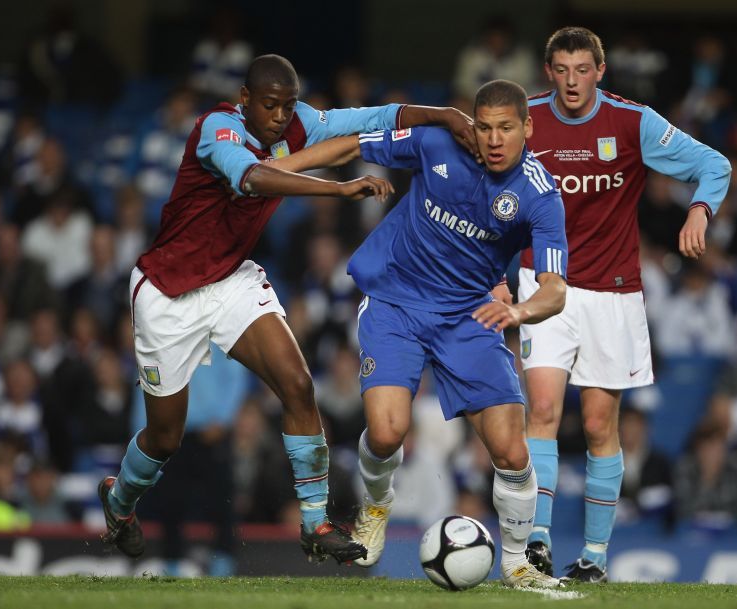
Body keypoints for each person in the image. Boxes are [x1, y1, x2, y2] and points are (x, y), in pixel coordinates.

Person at [97, 53, 478, 565]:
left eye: (287, 106)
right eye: (270, 105)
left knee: (298, 385)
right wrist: (338, 187)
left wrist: (444, 115)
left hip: (229, 279)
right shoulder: (217, 128)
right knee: (166, 436)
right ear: (246, 100)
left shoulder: (302, 124)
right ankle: (120, 502)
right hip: (168, 293)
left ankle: (315, 522)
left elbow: (375, 118)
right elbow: (252, 178)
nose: (280, 116)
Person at [280, 79, 568, 588]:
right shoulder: (436, 143)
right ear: (471, 125)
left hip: (470, 314)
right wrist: (282, 169)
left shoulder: (540, 195)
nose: (494, 139)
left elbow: (555, 290)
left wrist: (519, 312)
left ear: (528, 127)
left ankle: (519, 562)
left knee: (511, 451)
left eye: (506, 128)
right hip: (396, 302)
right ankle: (375, 510)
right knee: (388, 432)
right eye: (484, 127)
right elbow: (354, 143)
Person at [516, 27, 732, 582]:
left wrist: (699, 211)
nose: (571, 81)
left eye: (582, 69)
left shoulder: (634, 121)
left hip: (612, 290)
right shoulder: (527, 120)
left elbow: (715, 165)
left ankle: (595, 557)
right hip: (543, 281)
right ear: (548, 72)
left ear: (600, 71)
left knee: (596, 424)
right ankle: (535, 541)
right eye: (561, 69)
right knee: (541, 409)